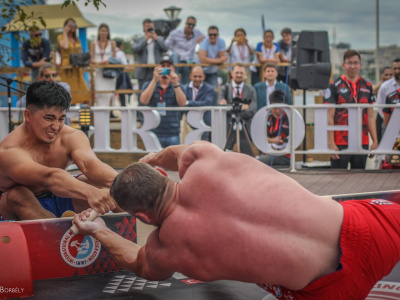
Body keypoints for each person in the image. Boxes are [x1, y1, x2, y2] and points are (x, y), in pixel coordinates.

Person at [73, 141, 400, 300]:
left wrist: (98, 230)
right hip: (369, 225)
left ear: (141, 216)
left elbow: (136, 261)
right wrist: (151, 158)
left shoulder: (164, 251)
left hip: (328, 291)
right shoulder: (203, 159)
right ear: (161, 174)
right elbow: (178, 154)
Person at [0, 81, 121, 220]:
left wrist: (126, 185)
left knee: (102, 185)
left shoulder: (71, 136)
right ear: (28, 115)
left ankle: (131, 227)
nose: (56, 126)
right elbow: (49, 178)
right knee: (18, 195)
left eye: (61, 119)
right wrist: (90, 192)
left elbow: (91, 165)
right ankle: (56, 235)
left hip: (59, 195)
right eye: (49, 118)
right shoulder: (9, 150)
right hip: (18, 206)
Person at [324, 50, 378, 169]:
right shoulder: (334, 85)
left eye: (355, 63)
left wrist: (374, 140)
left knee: (359, 179)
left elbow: (370, 115)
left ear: (360, 65)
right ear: (343, 65)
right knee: (338, 179)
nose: (352, 66)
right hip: (340, 141)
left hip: (361, 140)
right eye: (349, 63)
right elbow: (330, 116)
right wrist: (331, 143)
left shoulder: (367, 86)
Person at [139, 56, 187, 148]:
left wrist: (175, 83)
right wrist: (154, 79)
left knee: (172, 161)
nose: (165, 68)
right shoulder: (149, 84)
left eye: (168, 66)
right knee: (152, 161)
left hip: (172, 132)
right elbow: (143, 101)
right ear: (157, 68)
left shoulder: (178, 86)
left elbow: (182, 103)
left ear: (173, 69)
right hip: (153, 131)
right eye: (163, 65)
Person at [218, 62, 257, 156]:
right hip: (228, 127)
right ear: (232, 73)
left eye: (241, 73)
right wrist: (241, 107)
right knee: (225, 156)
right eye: (237, 72)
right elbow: (220, 108)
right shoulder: (224, 88)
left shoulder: (251, 89)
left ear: (245, 74)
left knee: (248, 157)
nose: (239, 75)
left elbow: (252, 110)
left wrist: (231, 108)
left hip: (245, 127)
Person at [57, 18, 91, 105]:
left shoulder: (77, 40)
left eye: (74, 24)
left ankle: (84, 119)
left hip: (77, 68)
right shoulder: (61, 37)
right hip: (68, 68)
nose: (72, 26)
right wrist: (64, 32)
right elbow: (66, 46)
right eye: (70, 25)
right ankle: (68, 119)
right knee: (69, 96)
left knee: (86, 96)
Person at [165, 16, 205, 85]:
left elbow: (207, 38)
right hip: (176, 61)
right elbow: (165, 46)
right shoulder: (175, 33)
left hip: (187, 62)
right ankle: (173, 81)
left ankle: (184, 90)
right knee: (175, 56)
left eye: (193, 25)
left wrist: (202, 40)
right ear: (186, 24)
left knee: (186, 81)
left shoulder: (197, 33)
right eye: (189, 24)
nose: (191, 26)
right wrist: (171, 54)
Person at [132, 19, 169, 89]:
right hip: (143, 72)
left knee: (157, 92)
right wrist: (145, 40)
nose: (149, 28)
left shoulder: (160, 39)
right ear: (143, 28)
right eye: (147, 26)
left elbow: (165, 48)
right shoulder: (138, 40)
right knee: (142, 94)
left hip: (157, 70)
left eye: (150, 26)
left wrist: (156, 39)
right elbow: (135, 50)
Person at [181, 66, 215, 140]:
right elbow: (181, 104)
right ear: (190, 76)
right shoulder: (184, 88)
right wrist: (199, 103)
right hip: (188, 125)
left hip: (204, 124)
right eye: (195, 76)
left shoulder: (209, 89)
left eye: (200, 76)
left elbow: (207, 103)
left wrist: (188, 102)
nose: (197, 79)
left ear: (204, 77)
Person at [90, 23, 117, 107]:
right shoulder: (93, 44)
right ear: (99, 32)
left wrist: (108, 62)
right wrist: (100, 63)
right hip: (99, 72)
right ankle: (99, 116)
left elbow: (115, 59)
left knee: (109, 95)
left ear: (108, 32)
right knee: (99, 94)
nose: (104, 33)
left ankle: (109, 115)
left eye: (105, 31)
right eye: (102, 30)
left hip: (109, 73)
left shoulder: (112, 43)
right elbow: (91, 59)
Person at [376, 58, 400, 140]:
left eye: (399, 68)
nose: (397, 71)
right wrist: (389, 124)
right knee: (391, 149)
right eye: (395, 68)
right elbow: (380, 107)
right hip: (390, 125)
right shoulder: (385, 87)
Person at [115, 40, 133, 107]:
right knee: (122, 91)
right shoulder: (120, 53)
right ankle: (123, 107)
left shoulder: (112, 52)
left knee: (111, 92)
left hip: (112, 75)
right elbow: (125, 64)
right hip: (121, 74)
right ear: (120, 46)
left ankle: (111, 112)